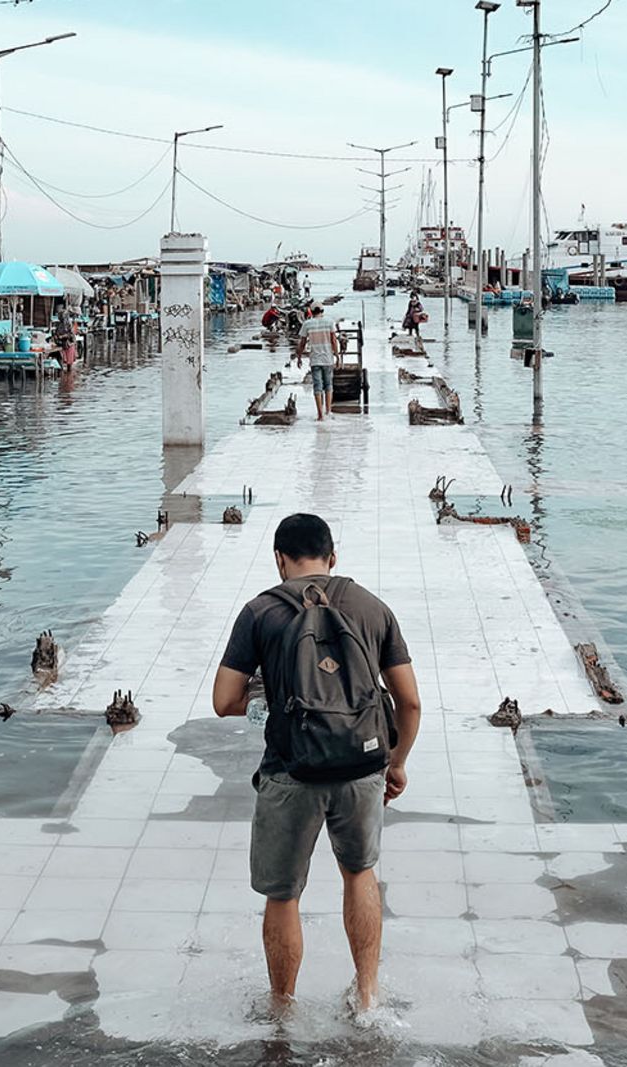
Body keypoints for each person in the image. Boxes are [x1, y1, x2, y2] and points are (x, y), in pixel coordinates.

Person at [211, 512, 422, 1017]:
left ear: (279, 558)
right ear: (333, 556)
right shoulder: (371, 608)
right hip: (363, 766)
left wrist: (277, 695)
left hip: (290, 771)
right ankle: (367, 996)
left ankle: (283, 1008)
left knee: (283, 895)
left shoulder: (260, 612)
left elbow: (223, 700)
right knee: (360, 873)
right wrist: (396, 764)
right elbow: (410, 702)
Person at [300, 305, 339, 420]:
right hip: (327, 359)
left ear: (311, 312)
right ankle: (328, 411)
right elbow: (334, 340)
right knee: (328, 385)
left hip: (315, 360)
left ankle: (320, 415)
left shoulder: (307, 324)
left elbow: (302, 343)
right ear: (322, 311)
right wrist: (337, 355)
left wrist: (298, 357)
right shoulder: (330, 322)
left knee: (317, 386)